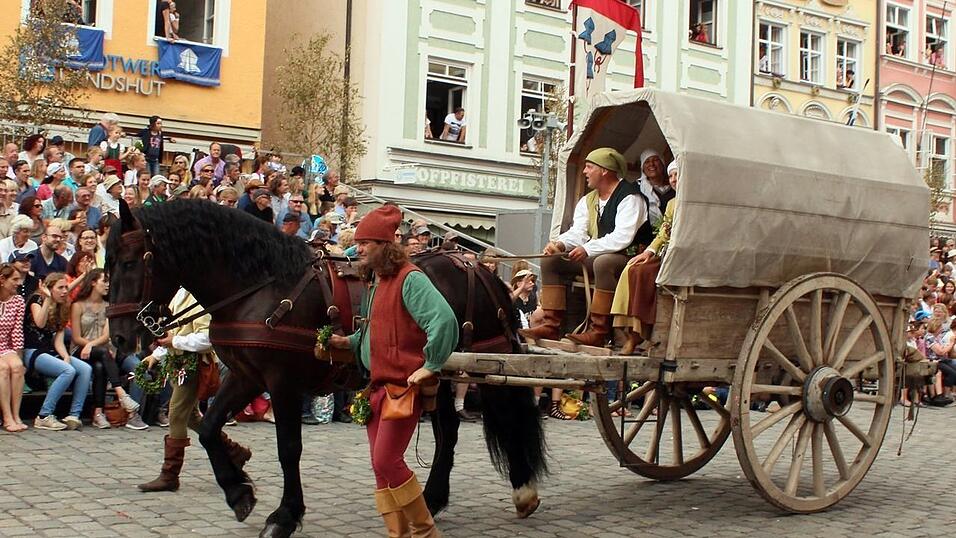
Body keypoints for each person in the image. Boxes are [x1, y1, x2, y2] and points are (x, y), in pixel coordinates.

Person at [327, 205, 457, 537]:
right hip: (376, 388)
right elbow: (376, 330)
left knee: (387, 461)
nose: (359, 249)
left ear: (384, 244)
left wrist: (430, 365)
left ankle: (426, 533)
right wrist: (349, 342)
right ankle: (398, 534)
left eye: (365, 243)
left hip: (401, 389)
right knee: (379, 468)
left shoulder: (410, 278)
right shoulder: (377, 283)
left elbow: (443, 321)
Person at [518, 148, 652, 418]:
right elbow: (578, 231)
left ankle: (599, 330)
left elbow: (622, 237)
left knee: (604, 263)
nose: (585, 172)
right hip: (595, 252)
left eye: (589, 167)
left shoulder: (631, 199)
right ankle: (552, 325)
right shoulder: (588, 200)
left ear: (604, 170)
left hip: (629, 257)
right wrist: (560, 243)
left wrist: (589, 249)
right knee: (552, 261)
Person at [138, 287, 252, 492]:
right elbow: (172, 333)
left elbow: (207, 338)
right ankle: (234, 451)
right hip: (178, 363)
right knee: (191, 418)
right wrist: (157, 354)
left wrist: (175, 341)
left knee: (176, 415)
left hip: (194, 366)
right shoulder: (179, 294)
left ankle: (170, 474)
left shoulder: (200, 297)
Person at [612, 160, 680, 354]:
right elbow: (664, 233)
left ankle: (639, 334)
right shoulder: (673, 204)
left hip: (682, 258)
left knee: (643, 273)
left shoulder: (693, 203)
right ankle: (624, 327)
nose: (674, 180)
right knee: (631, 267)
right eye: (671, 176)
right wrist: (648, 252)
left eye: (677, 175)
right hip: (667, 253)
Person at [71, 269, 145, 429]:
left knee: (106, 365)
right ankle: (122, 395)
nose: (108, 285)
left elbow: (106, 336)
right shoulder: (77, 305)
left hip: (106, 351)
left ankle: (103, 414)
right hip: (81, 349)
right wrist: (89, 345)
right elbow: (76, 337)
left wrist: (93, 345)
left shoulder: (108, 306)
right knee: (103, 355)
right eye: (104, 281)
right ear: (92, 282)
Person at [22, 273, 93, 431]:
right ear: (49, 289)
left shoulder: (62, 306)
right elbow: (40, 323)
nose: (65, 291)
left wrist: (66, 356)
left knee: (84, 369)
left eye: (66, 287)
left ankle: (74, 415)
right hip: (31, 351)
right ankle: (44, 415)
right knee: (68, 370)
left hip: (49, 350)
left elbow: (59, 340)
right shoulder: (37, 300)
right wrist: (48, 299)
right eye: (60, 288)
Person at [0, 263, 26, 432]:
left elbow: (16, 332)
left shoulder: (18, 301)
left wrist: (19, 357)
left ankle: (16, 414)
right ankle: (7, 416)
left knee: (17, 367)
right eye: (14, 279)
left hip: (5, 345)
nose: (19, 282)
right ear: (2, 280)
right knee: (2, 368)